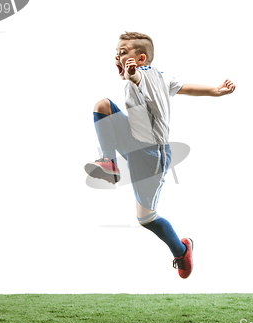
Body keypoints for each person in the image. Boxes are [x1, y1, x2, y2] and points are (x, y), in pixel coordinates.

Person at [84, 32, 235, 279]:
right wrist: (215, 90)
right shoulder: (162, 76)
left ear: (141, 59)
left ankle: (181, 249)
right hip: (135, 138)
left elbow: (137, 77)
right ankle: (109, 162)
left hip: (152, 155)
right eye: (117, 52)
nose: (118, 56)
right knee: (102, 106)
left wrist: (131, 74)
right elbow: (186, 88)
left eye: (124, 52)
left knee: (146, 218)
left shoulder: (142, 75)